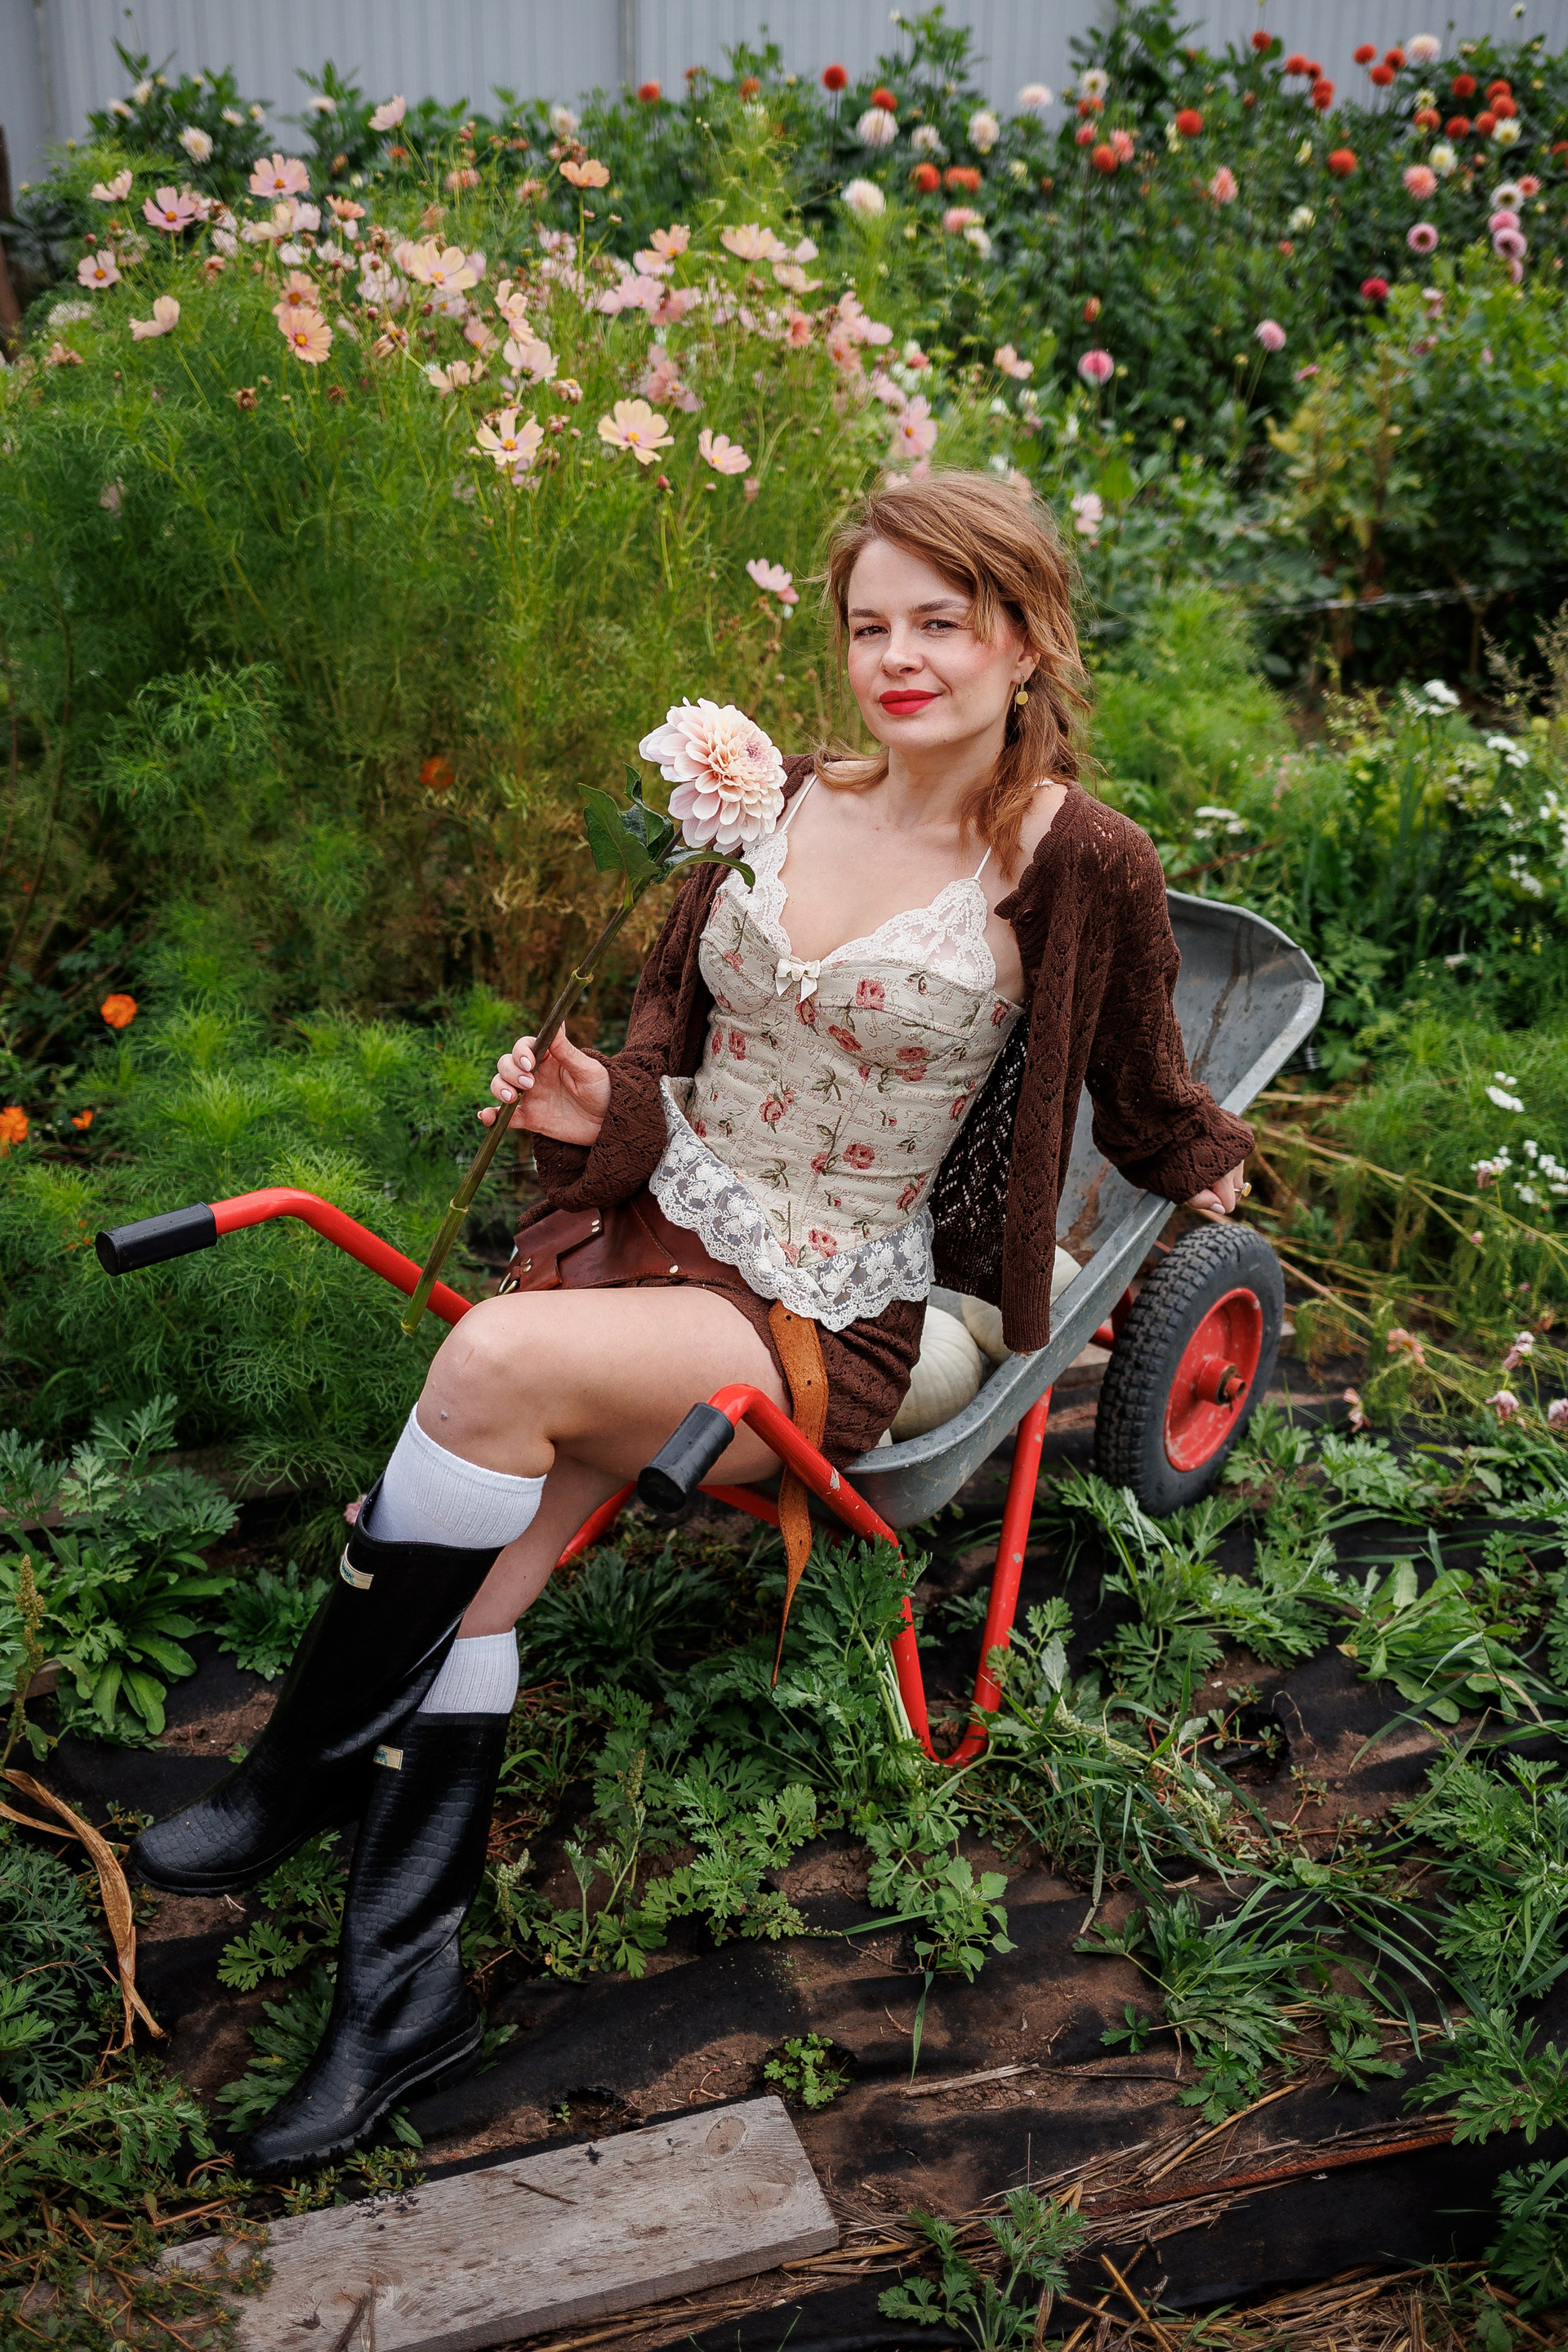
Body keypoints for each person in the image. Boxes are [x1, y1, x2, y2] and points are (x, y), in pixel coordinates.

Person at [130, 470, 1252, 2167]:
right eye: (868, 625)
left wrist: (1203, 1169)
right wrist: (598, 1105)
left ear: (1024, 640)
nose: (898, 658)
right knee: (478, 1580)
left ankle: (290, 1776)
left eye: (942, 624)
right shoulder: (778, 794)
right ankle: (402, 2000)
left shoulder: (1078, 861)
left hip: (830, 1307)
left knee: (492, 1361)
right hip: (658, 1231)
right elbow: (673, 1034)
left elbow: (1144, 1081)